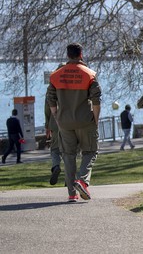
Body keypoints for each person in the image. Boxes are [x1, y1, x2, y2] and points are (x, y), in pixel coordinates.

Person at [46, 43, 102, 202]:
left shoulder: (56, 75)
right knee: (90, 151)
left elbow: (50, 98)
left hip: (64, 123)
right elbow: (96, 100)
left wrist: (56, 116)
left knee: (68, 155)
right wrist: (95, 119)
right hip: (85, 121)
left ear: (68, 55)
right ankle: (83, 181)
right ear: (81, 54)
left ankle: (72, 193)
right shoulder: (89, 74)